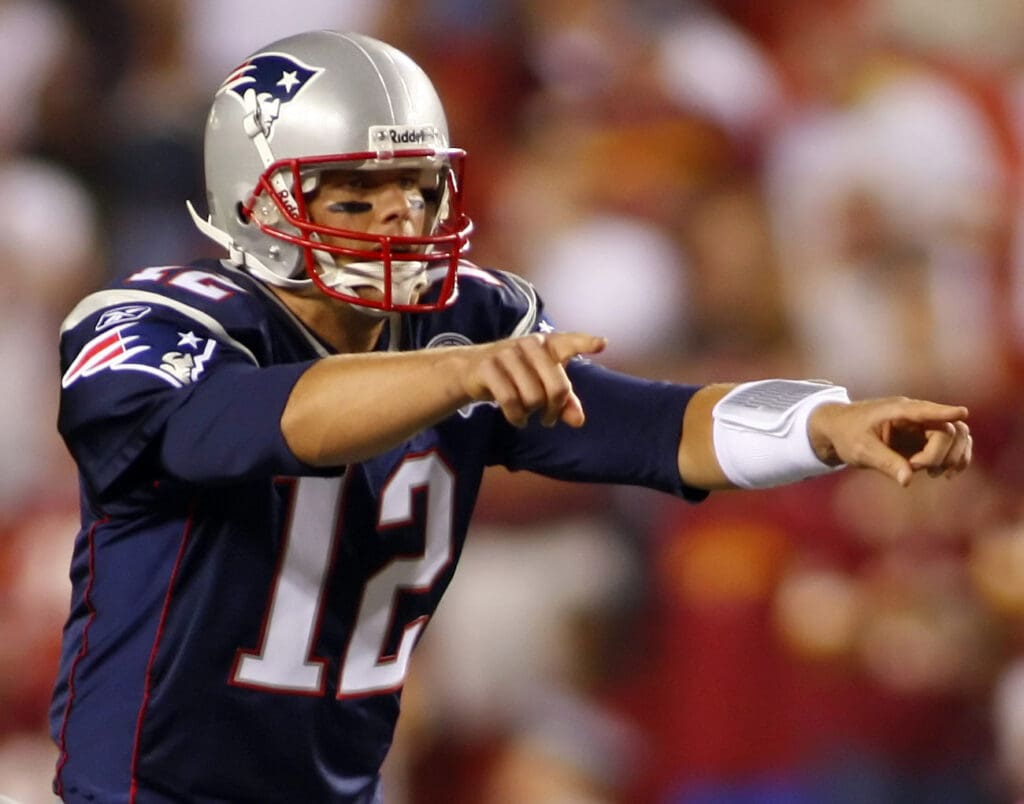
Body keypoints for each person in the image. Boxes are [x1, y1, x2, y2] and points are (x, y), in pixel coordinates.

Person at [49, 30, 972, 803]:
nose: (401, 221)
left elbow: (651, 429)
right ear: (258, 204)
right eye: (356, 195)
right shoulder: (159, 323)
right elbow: (249, 423)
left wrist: (827, 428)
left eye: (416, 187)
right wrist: (458, 374)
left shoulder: (465, 324)